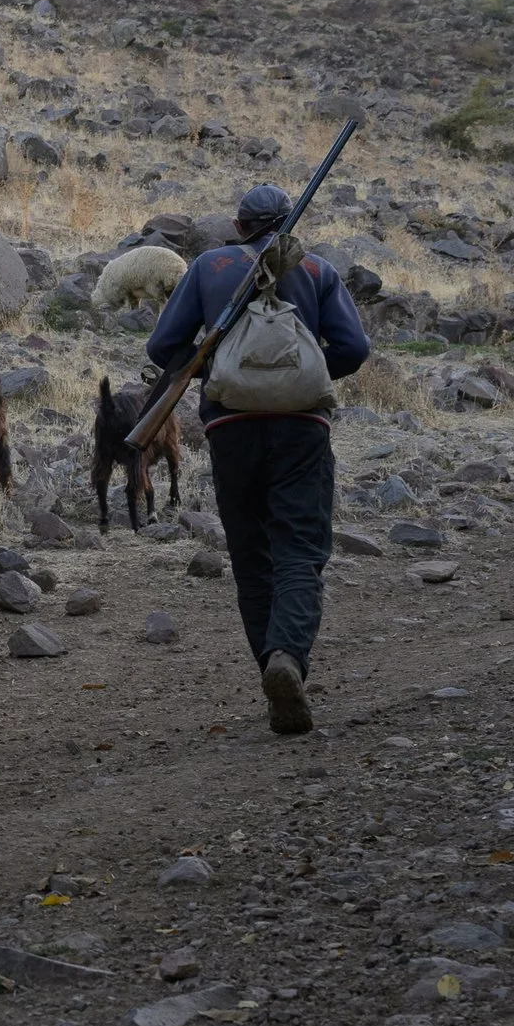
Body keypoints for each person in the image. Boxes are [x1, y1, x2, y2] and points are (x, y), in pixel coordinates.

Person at [146, 184, 370, 736]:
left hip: (230, 427)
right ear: (288, 223)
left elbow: (162, 347)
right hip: (303, 431)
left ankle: (272, 676)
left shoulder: (208, 264)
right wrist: (301, 375)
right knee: (299, 549)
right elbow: (353, 349)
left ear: (240, 226)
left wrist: (219, 370)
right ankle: (287, 659)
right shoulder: (315, 270)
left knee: (251, 556)